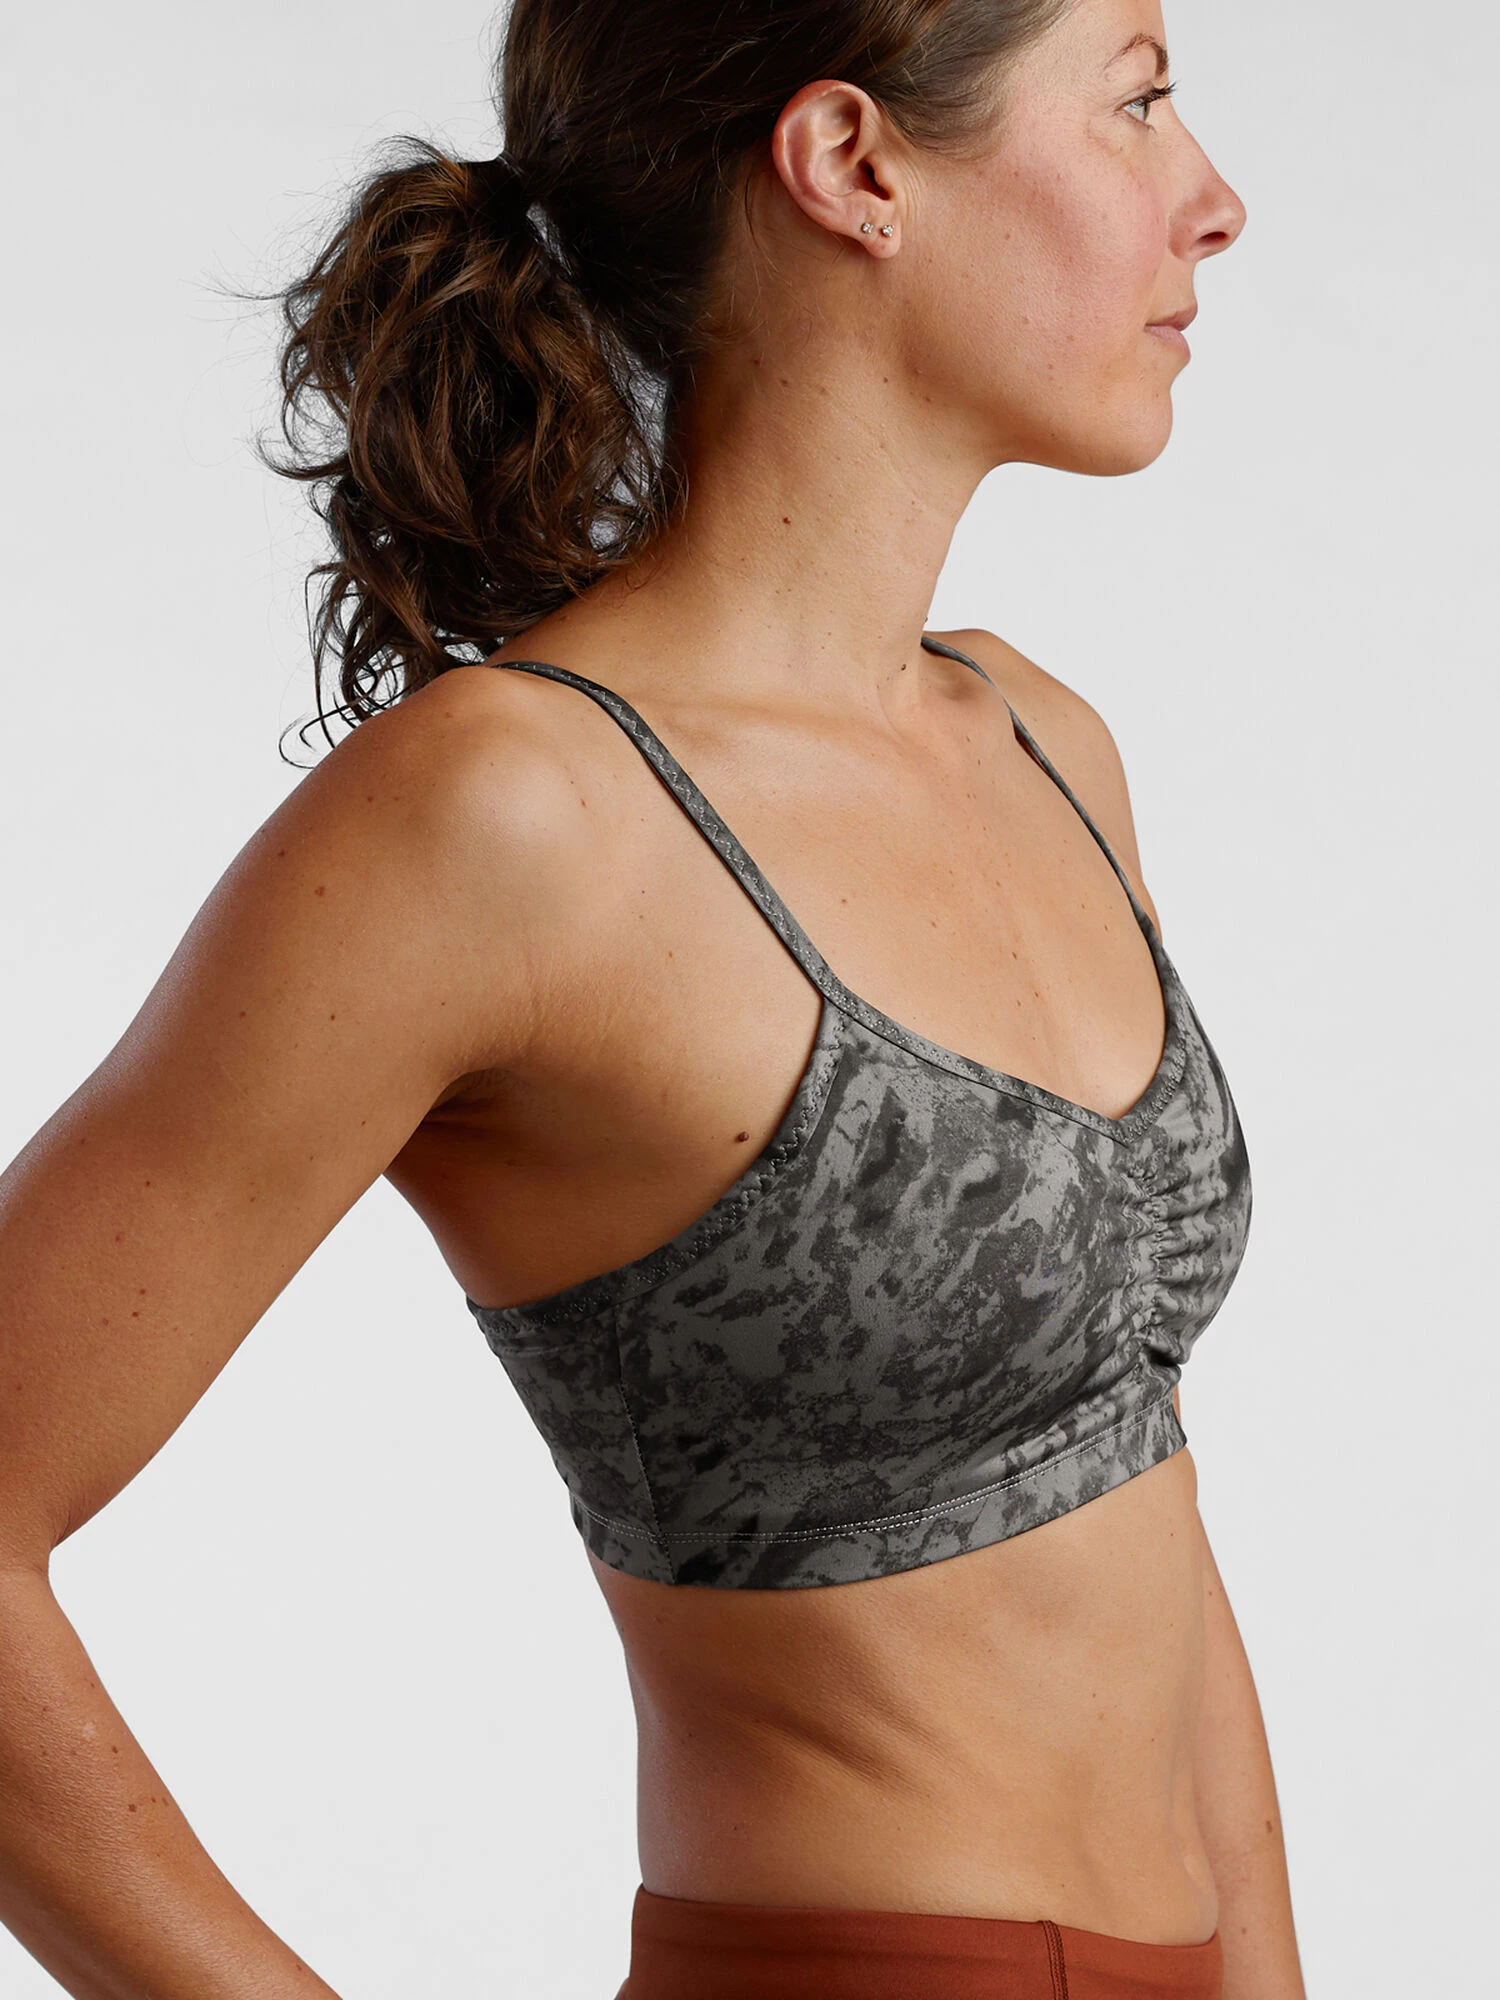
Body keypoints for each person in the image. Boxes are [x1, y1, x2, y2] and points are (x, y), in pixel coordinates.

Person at [0, 0, 1306, 1995]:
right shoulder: (508, 817)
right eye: (1136, 102)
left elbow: (1142, 1482)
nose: (1210, 200)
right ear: (853, 164)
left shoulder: (1046, 741)